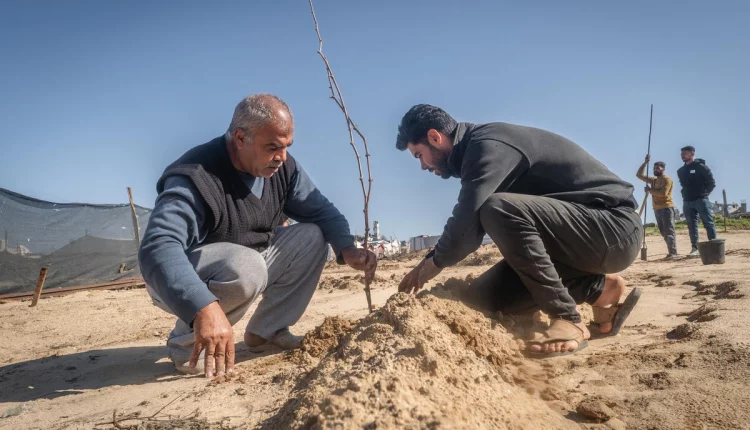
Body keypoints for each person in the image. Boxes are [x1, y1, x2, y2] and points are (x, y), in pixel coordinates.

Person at [139, 94, 376, 378]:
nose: (282, 157)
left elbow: (323, 212)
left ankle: (267, 332)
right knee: (246, 265)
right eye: (272, 147)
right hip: (178, 279)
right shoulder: (197, 175)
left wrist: (347, 248)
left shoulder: (283, 169)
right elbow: (158, 247)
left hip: (246, 262)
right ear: (241, 138)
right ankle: (189, 348)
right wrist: (201, 305)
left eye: (286, 147)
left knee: (312, 236)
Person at [395, 104, 642, 358]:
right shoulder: (473, 153)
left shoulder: (486, 145)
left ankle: (567, 319)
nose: (422, 166)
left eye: (419, 155)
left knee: (497, 207)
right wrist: (433, 259)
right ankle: (599, 289)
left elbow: (466, 224)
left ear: (434, 137)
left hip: (613, 228)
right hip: (576, 244)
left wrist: (433, 263)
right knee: (481, 299)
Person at [677, 145, 717, 256]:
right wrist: (684, 195)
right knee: (691, 225)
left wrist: (704, 194)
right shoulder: (680, 171)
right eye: (681, 154)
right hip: (687, 201)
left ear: (692, 153)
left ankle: (714, 247)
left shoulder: (701, 167)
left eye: (685, 153)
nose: (682, 155)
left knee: (708, 223)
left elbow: (711, 183)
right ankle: (695, 248)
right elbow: (683, 185)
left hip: (701, 200)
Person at [636, 155, 678, 258]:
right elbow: (639, 175)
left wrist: (650, 190)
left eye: (658, 168)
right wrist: (645, 163)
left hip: (666, 208)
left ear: (663, 169)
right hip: (657, 209)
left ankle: (673, 252)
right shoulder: (654, 180)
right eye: (654, 168)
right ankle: (671, 252)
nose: (656, 169)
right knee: (663, 231)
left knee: (669, 230)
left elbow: (663, 193)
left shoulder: (667, 179)